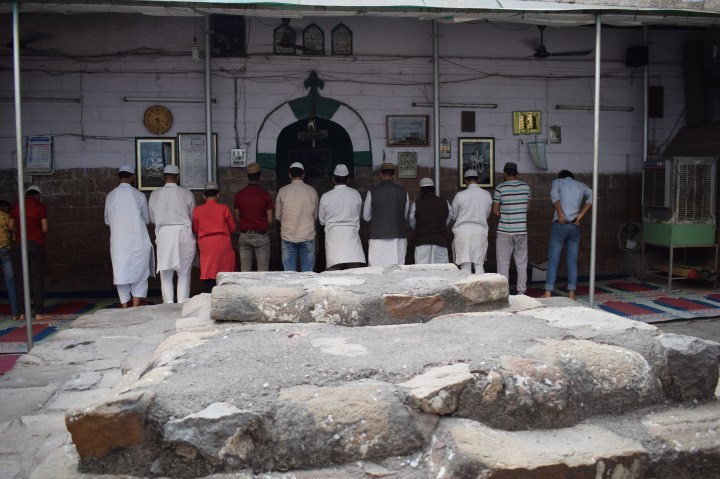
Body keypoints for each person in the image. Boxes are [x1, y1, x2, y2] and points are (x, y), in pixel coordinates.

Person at [104, 165, 155, 308]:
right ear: (132, 177)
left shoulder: (111, 195)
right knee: (140, 274)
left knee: (121, 274)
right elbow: (146, 219)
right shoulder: (138, 195)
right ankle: (135, 306)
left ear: (119, 177)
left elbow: (107, 220)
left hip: (119, 243)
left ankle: (125, 307)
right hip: (138, 241)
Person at [149, 164, 196, 304]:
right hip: (183, 234)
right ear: (178, 178)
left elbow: (152, 218)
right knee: (184, 273)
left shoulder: (154, 194)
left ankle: (168, 305)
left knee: (166, 274)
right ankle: (182, 305)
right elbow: (192, 215)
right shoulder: (186, 193)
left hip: (164, 234)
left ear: (164, 177)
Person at [544, 169, 593, 300]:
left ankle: (548, 293)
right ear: (572, 177)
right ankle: (571, 294)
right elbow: (592, 196)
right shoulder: (580, 185)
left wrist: (560, 214)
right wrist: (581, 215)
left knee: (553, 260)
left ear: (561, 177)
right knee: (572, 261)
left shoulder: (558, 182)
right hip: (574, 225)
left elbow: (554, 195)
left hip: (560, 225)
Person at [9, 185, 48, 320]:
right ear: (38, 195)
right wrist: (35, 234)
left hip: (20, 244)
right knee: (37, 278)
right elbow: (45, 228)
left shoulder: (16, 205)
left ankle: (21, 313)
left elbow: (10, 226)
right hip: (36, 244)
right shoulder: (40, 206)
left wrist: (20, 233)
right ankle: (38, 313)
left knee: (20, 278)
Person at [493, 162, 532, 295]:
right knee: (521, 262)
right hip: (521, 230)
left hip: (504, 231)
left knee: (503, 262)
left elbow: (495, 210)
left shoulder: (500, 188)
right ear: (517, 173)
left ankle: (504, 292)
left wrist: (505, 216)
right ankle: (521, 292)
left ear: (504, 173)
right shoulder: (526, 187)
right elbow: (527, 208)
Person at [318, 164, 365, 270]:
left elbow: (321, 221)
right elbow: (358, 215)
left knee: (333, 275)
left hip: (334, 237)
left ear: (333, 179)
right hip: (351, 236)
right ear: (348, 179)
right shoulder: (355, 194)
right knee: (354, 273)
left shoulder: (326, 196)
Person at [362, 162, 409, 267]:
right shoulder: (404, 192)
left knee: (376, 269)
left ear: (380, 174)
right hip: (398, 236)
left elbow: (366, 216)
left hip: (377, 237)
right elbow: (404, 215)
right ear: (393, 175)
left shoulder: (372, 192)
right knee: (397, 267)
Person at [192, 182, 236, 292]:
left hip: (206, 246)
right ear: (218, 195)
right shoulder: (224, 208)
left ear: (204, 195)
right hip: (223, 244)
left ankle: (209, 299)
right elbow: (232, 228)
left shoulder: (197, 210)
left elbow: (195, 230)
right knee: (225, 271)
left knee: (208, 272)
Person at [275, 162, 319, 272]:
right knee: (308, 273)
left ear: (289, 175)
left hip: (288, 236)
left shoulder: (283, 191)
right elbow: (315, 216)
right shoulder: (311, 191)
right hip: (307, 236)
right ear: (303, 175)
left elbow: (278, 216)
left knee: (289, 274)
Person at [233, 162, 273, 272]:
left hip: (245, 235)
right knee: (263, 271)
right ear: (260, 176)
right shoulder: (265, 195)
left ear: (247, 176)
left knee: (245, 270)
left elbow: (237, 217)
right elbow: (269, 219)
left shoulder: (239, 194)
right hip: (260, 235)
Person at [451, 169, 492, 274]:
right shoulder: (487, 195)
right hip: (480, 230)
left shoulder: (460, 195)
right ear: (477, 180)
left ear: (465, 180)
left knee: (465, 267)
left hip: (463, 231)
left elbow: (454, 215)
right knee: (479, 265)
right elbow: (487, 214)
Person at [409, 177, 451, 264]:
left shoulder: (416, 204)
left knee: (422, 271)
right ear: (433, 188)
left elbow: (412, 223)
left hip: (422, 242)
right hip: (440, 242)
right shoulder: (444, 202)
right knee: (441, 271)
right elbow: (449, 217)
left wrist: (420, 228)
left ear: (421, 190)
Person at [0, 199, 18, 320]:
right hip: (5, 249)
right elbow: (14, 236)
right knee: (10, 282)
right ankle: (15, 313)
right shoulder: (7, 218)